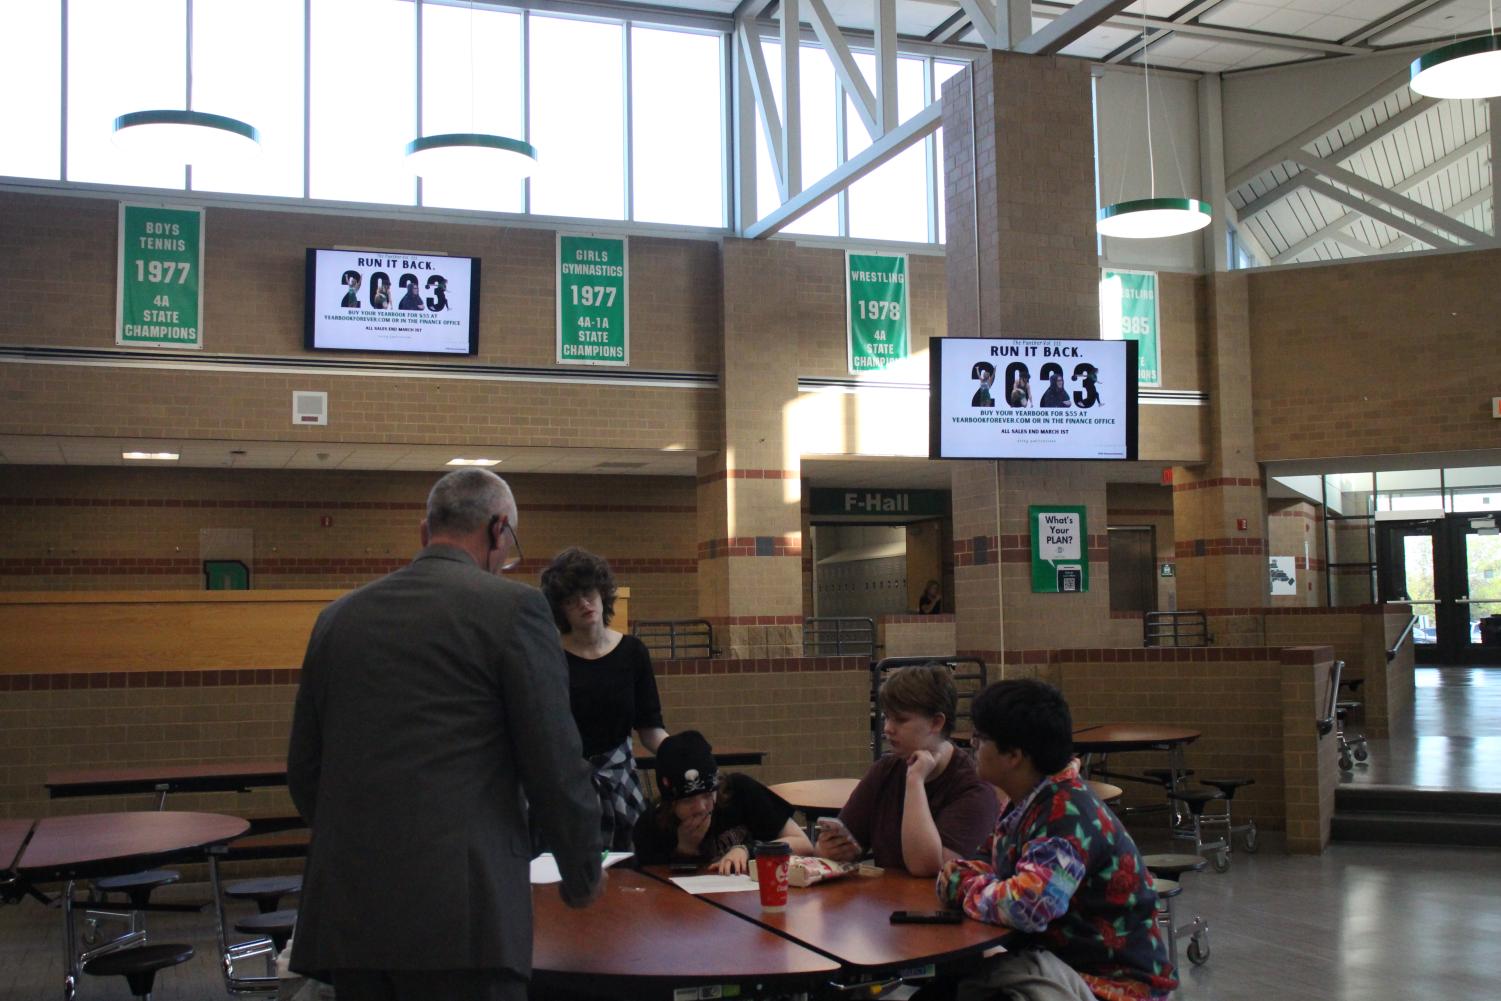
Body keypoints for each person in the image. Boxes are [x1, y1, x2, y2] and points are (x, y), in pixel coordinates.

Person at [286, 469, 604, 1001]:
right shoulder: (515, 610)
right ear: (499, 529)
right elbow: (554, 763)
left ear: (424, 531)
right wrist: (581, 872)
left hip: (353, 912)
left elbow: (305, 771)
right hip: (464, 919)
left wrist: (363, 847)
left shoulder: (337, 619)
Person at [936, 679, 1176, 1001]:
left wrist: (960, 884)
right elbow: (982, 863)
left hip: (1111, 987)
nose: (972, 746)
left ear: (1014, 755)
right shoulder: (1028, 802)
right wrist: (964, 877)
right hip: (1060, 968)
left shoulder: (1066, 816)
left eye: (980, 738)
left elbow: (1028, 906)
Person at [541, 547, 669, 851]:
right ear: (561, 611)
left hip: (620, 781)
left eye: (588, 592)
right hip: (566, 786)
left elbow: (650, 729)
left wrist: (681, 754)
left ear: (602, 592)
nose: (584, 603)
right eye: (572, 600)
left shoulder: (632, 652)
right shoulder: (548, 656)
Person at [817, 663, 996, 876]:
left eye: (900, 720)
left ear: (936, 723)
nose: (887, 728)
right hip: (886, 903)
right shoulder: (885, 770)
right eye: (887, 717)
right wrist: (827, 850)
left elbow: (925, 868)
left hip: (938, 906)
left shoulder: (973, 790)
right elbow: (844, 843)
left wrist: (915, 781)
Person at [633, 730, 813, 872]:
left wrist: (748, 851)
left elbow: (803, 844)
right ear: (670, 804)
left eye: (707, 795)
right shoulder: (651, 825)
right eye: (688, 800)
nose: (701, 807)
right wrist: (685, 850)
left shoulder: (740, 791)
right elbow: (653, 889)